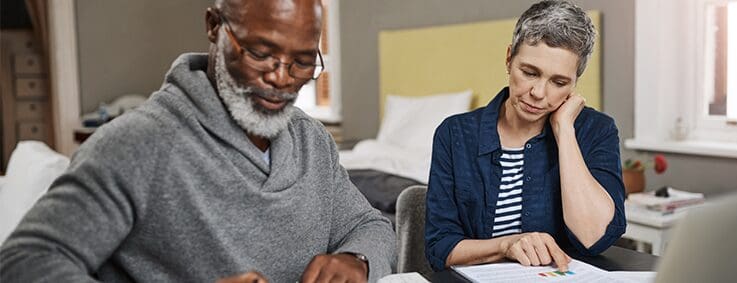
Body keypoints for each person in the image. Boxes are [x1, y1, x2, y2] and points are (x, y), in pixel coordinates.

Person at [0, 0, 395, 282]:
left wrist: (356, 259)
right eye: (260, 52)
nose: (281, 77)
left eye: (303, 61)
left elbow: (371, 225)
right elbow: (24, 262)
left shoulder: (311, 139)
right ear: (213, 26)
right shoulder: (137, 144)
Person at [424, 0, 626, 272]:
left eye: (559, 82)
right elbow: (440, 247)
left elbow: (593, 238)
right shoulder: (455, 134)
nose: (539, 93)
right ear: (509, 59)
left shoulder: (596, 130)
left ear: (575, 82)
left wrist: (564, 129)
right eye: (529, 73)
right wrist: (506, 245)